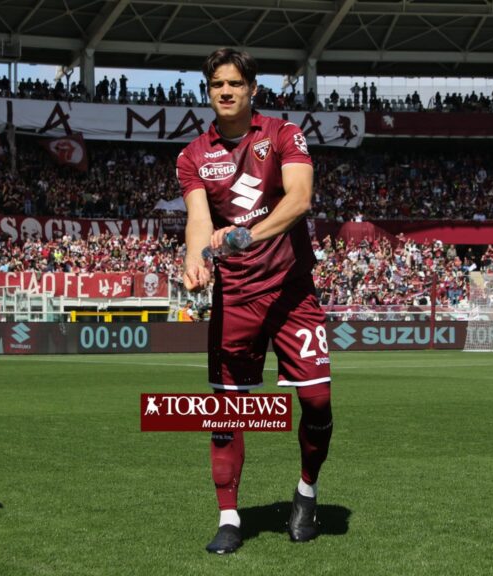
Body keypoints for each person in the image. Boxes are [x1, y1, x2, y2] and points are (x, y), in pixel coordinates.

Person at [177, 48, 333, 554]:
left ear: (252, 89)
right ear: (209, 91)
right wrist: (195, 259)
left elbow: (299, 198)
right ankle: (229, 517)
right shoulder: (192, 156)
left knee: (317, 402)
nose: (225, 91)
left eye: (234, 83)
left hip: (292, 293)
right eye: (217, 84)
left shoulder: (284, 135)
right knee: (228, 414)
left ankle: (306, 491)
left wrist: (249, 233)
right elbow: (199, 218)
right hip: (237, 297)